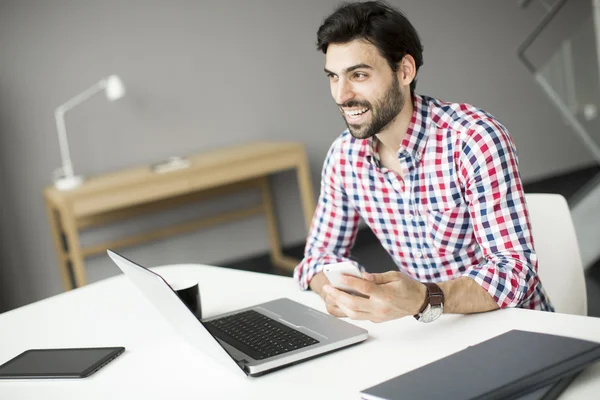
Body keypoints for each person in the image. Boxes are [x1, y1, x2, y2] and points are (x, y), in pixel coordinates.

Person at [293, 0, 554, 323]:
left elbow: (516, 271)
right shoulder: (344, 157)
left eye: (358, 75)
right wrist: (337, 292)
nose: (341, 95)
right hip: (431, 333)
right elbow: (316, 258)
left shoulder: (473, 140)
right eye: (333, 76)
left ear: (404, 71)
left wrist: (424, 297)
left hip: (517, 330)